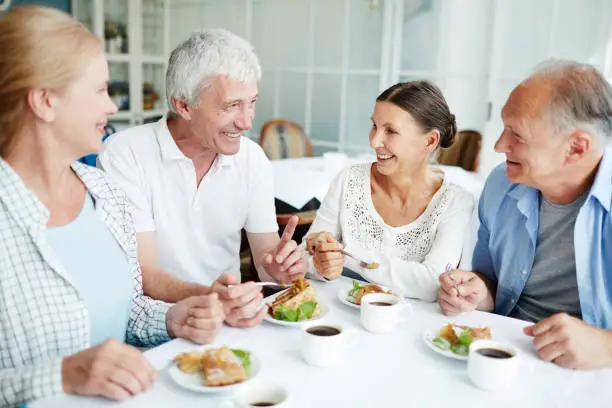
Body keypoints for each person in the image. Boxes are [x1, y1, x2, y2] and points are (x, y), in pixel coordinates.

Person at [0, 6, 225, 406]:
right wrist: (62, 374)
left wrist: (172, 318)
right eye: (101, 90)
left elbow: (126, 309)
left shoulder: (104, 194)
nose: (113, 108)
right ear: (45, 101)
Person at [98, 29, 308, 328]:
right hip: (156, 327)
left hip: (231, 323)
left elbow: (266, 263)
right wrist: (210, 297)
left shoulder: (252, 158)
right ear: (183, 105)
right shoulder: (126, 153)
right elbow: (141, 273)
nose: (246, 121)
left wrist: (281, 268)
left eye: (252, 102)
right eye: (231, 106)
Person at [438, 60, 612, 370]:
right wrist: (476, 292)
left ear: (576, 148)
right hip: (501, 353)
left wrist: (606, 347)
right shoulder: (500, 184)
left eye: (517, 134)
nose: (498, 145)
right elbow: (490, 283)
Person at [304, 81, 475, 301]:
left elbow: (433, 283)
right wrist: (321, 264)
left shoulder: (456, 201)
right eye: (374, 126)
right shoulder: (349, 180)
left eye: (391, 131)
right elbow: (307, 256)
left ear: (430, 141)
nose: (375, 141)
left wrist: (347, 256)